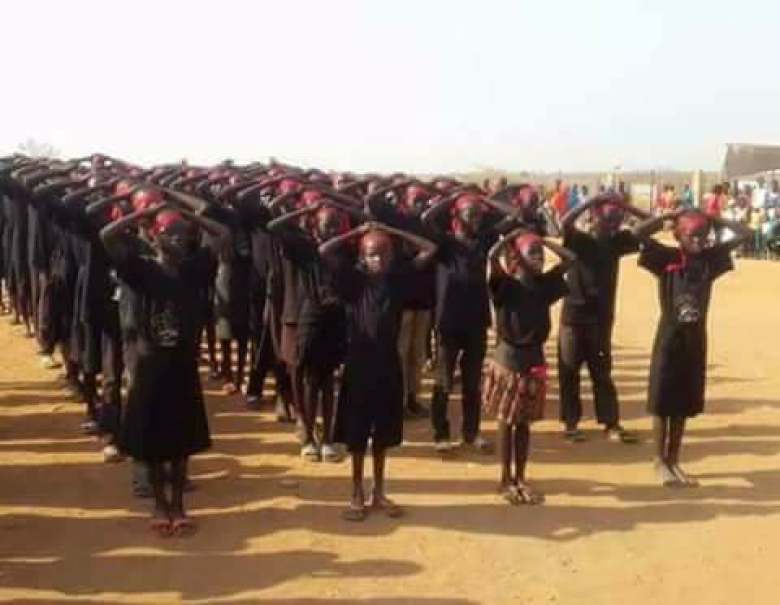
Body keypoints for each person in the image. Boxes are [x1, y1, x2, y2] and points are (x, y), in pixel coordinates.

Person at [100, 193, 229, 535]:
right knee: (154, 444)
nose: (179, 240)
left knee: (182, 442)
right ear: (154, 236)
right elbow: (107, 235)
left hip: (182, 364)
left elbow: (223, 236)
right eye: (170, 234)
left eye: (183, 236)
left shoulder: (194, 270)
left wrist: (190, 215)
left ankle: (179, 504)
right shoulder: (140, 270)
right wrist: (148, 213)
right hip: (149, 363)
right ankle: (159, 503)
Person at [319, 221, 437, 521]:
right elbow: (324, 250)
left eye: (384, 254)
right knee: (358, 434)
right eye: (372, 254)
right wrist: (355, 233)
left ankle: (379, 491)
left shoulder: (397, 281)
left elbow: (430, 249)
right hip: (358, 365)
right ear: (362, 256)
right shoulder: (353, 283)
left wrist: (393, 231)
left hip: (388, 364)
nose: (378, 260)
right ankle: (357, 491)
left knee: (383, 434)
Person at [632, 209, 751, 487]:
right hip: (669, 339)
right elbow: (638, 232)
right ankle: (659, 460)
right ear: (679, 235)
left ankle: (674, 459)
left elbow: (746, 234)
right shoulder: (666, 258)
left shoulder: (711, 260)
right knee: (662, 402)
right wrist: (670, 215)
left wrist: (714, 219)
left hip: (695, 340)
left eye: (703, 235)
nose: (699, 240)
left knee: (684, 404)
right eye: (692, 235)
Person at [422, 191, 518, 453]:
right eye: (470, 214)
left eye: (478, 215)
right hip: (448, 322)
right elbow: (427, 218)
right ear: (458, 217)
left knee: (472, 383)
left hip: (476, 321)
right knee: (443, 383)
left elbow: (513, 215)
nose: (476, 219)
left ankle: (471, 433)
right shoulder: (445, 244)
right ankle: (441, 434)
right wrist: (452, 198)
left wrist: (484, 202)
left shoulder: (485, 239)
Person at [483, 228, 574, 505]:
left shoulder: (544, 284)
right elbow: (491, 257)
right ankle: (504, 478)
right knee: (507, 421)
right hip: (510, 359)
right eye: (532, 253)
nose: (539, 258)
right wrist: (509, 240)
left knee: (524, 424)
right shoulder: (505, 286)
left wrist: (542, 240)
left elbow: (570, 260)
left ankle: (520, 477)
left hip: (533, 359)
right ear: (518, 258)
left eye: (540, 253)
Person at [557, 193, 650, 442]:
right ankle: (571, 423)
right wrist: (590, 202)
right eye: (608, 219)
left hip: (601, 318)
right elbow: (563, 222)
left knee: (602, 374)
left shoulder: (618, 242)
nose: (613, 224)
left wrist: (624, 206)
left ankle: (611, 423)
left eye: (617, 220)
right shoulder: (577, 240)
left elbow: (654, 223)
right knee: (570, 373)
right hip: (573, 318)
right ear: (595, 217)